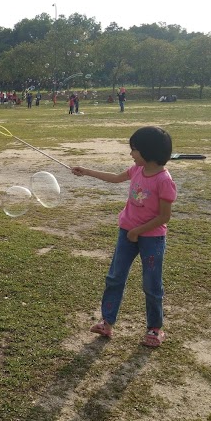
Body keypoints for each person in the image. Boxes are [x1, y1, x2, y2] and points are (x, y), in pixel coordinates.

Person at [71, 126, 177, 348]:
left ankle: (154, 329)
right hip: (126, 233)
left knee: (152, 284)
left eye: (134, 150)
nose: (131, 154)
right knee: (115, 278)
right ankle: (107, 322)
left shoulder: (163, 180)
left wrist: (138, 231)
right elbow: (114, 178)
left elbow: (164, 216)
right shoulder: (136, 170)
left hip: (152, 238)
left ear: (148, 152)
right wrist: (86, 171)